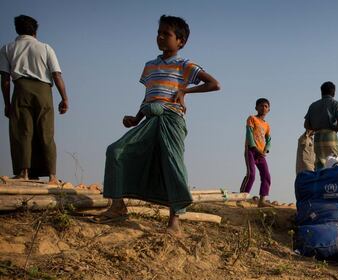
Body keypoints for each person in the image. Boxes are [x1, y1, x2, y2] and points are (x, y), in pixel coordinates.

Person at [100, 15, 220, 233]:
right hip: (149, 118)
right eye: (159, 32)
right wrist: (136, 118)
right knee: (116, 151)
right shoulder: (149, 66)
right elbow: (149, 96)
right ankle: (117, 206)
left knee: (171, 164)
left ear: (180, 41)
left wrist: (185, 90)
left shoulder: (185, 65)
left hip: (172, 120)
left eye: (167, 34)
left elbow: (214, 84)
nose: (161, 37)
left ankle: (175, 223)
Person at [0, 15, 68, 183]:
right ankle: (52, 176)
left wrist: (7, 103)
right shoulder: (45, 48)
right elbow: (57, 75)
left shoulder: (8, 48)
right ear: (35, 31)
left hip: (21, 90)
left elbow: (5, 79)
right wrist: (64, 98)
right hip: (44, 91)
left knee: (22, 131)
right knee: (46, 133)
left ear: (17, 30)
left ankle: (24, 172)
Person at [304, 81, 338, 170]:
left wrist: (316, 129)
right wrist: (333, 131)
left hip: (317, 138)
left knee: (320, 164)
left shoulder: (313, 105)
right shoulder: (336, 104)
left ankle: (322, 183)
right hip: (330, 137)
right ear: (333, 92)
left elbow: (306, 125)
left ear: (321, 92)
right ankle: (336, 183)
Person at [239, 98, 272, 207]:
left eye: (266, 106)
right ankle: (241, 198)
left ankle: (262, 200)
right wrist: (255, 147)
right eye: (261, 106)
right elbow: (249, 134)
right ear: (256, 108)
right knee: (251, 174)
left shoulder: (267, 125)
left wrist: (266, 150)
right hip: (251, 150)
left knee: (266, 175)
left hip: (261, 154)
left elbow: (269, 140)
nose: (263, 108)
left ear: (269, 110)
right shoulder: (252, 118)